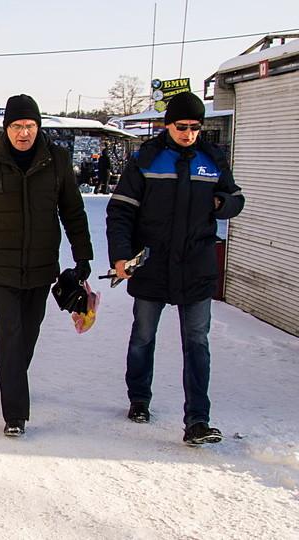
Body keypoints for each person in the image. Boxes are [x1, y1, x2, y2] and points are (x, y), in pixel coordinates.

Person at [0, 94, 93, 437]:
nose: (23, 132)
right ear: (6, 128)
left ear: (38, 127)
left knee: (29, 332)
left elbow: (73, 210)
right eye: (16, 126)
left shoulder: (56, 160)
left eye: (29, 125)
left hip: (43, 265)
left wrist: (82, 254)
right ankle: (15, 413)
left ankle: (12, 379)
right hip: (1, 263)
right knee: (11, 332)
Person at [106, 91, 245, 446]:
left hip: (196, 268)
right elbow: (120, 211)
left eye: (195, 127)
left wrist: (222, 202)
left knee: (197, 342)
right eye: (181, 126)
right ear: (169, 125)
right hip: (152, 265)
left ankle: (197, 420)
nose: (188, 133)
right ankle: (139, 398)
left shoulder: (212, 160)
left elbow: (236, 199)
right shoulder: (148, 160)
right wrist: (121, 256)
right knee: (143, 336)